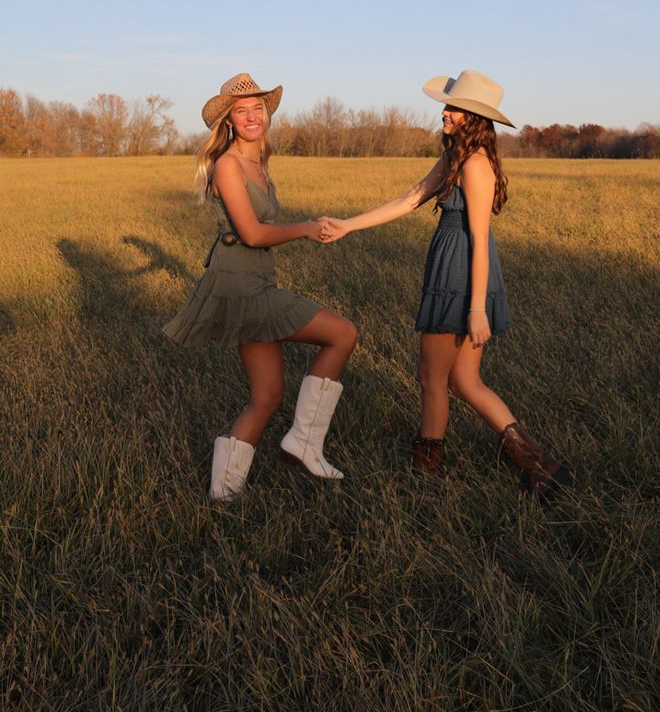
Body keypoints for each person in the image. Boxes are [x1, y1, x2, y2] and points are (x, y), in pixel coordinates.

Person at [320, 70, 570, 500]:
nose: (445, 112)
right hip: (454, 270)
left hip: (461, 275)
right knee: (464, 383)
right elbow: (409, 198)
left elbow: (479, 239)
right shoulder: (457, 155)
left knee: (431, 377)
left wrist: (475, 309)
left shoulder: (475, 164)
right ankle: (540, 467)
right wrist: (349, 225)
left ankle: (426, 472)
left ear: (472, 116)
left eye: (453, 107)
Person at [164, 72, 357, 501]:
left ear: (266, 114)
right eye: (241, 110)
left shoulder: (258, 162)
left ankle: (224, 493)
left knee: (267, 396)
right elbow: (251, 233)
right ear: (229, 120)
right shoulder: (229, 164)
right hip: (241, 285)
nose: (252, 116)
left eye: (258, 108)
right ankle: (305, 442)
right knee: (343, 333)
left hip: (253, 279)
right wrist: (305, 228)